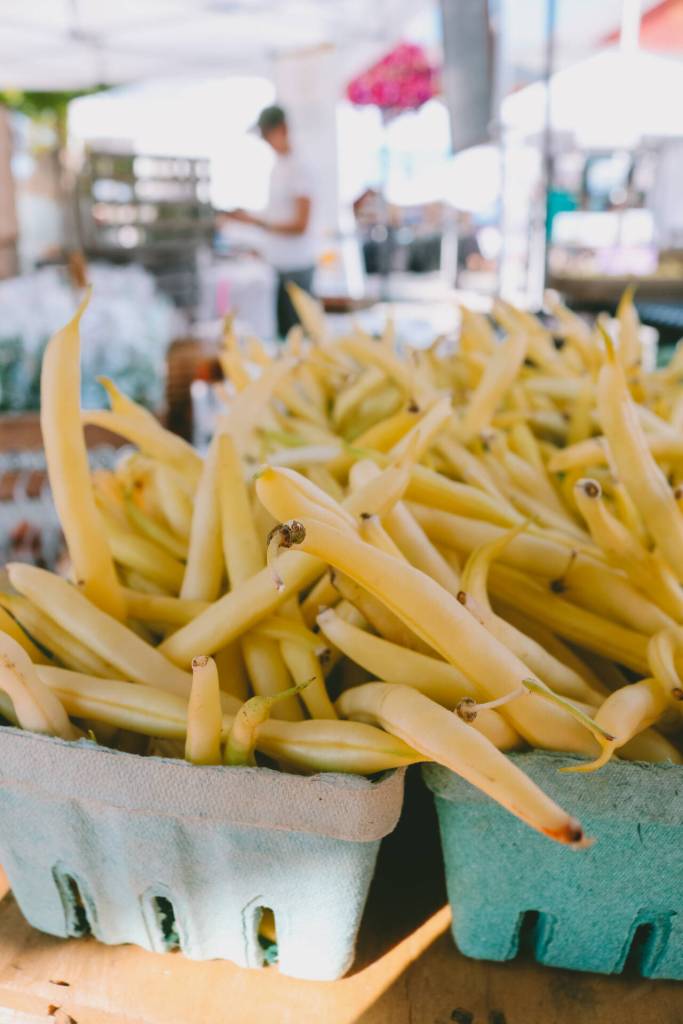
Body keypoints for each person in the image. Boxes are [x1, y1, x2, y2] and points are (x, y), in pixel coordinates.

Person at [224, 104, 317, 338]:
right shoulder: (279, 166)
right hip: (279, 266)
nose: (266, 141)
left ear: (282, 129)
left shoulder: (300, 166)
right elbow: (277, 216)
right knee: (284, 338)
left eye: (268, 134)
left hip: (297, 269)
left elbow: (300, 224)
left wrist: (255, 222)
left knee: (299, 338)